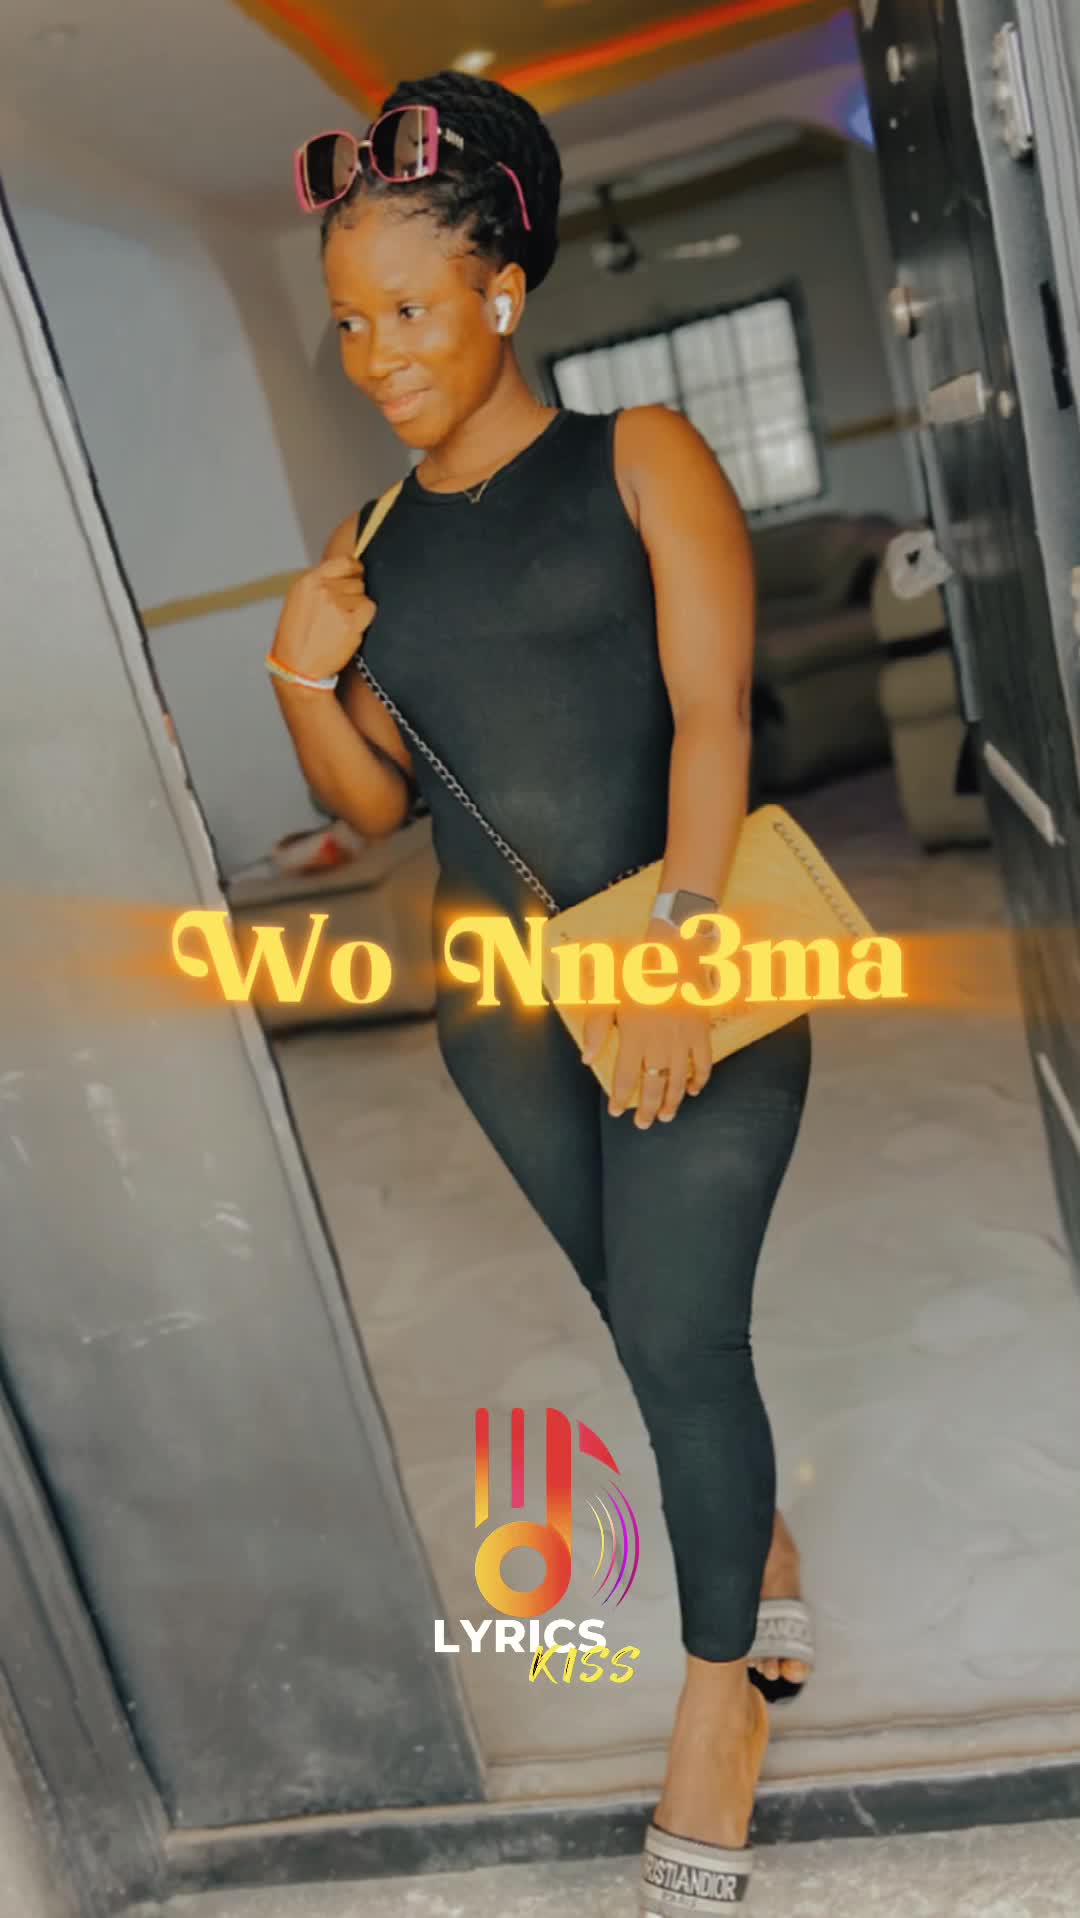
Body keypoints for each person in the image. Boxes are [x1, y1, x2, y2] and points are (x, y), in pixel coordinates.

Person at [270, 69, 814, 1909]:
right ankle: (761, 1543)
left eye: (408, 311)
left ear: (503, 288)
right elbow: (376, 807)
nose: (377, 358)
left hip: (690, 957)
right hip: (500, 1015)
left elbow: (714, 719)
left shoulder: (641, 455)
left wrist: (677, 948)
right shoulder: (373, 545)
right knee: (637, 1316)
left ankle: (719, 1707)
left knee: (681, 1331)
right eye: (351, 324)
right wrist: (300, 676)